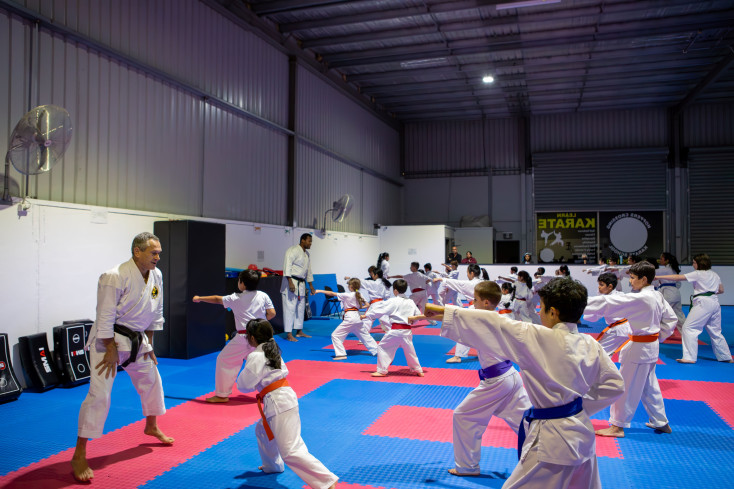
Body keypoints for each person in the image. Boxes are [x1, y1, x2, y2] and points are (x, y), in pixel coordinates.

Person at [424, 278, 624, 489]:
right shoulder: (591, 344)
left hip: (552, 440)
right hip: (583, 434)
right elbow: (615, 385)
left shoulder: (535, 336)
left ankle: (467, 464)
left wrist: (443, 313)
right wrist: (577, 408)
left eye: (542, 308)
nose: (539, 313)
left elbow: (495, 324)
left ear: (553, 312)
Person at [72, 232, 173, 482]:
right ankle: (79, 453)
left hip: (137, 341)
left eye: (159, 252)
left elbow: (155, 312)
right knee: (100, 395)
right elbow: (104, 315)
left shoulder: (157, 275)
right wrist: (109, 347)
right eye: (154, 252)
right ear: (137, 252)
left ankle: (151, 425)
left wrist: (151, 345)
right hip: (107, 343)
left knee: (152, 381)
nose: (158, 257)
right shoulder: (113, 276)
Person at [236, 319, 338, 489]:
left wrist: (245, 363)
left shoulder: (256, 355)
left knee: (291, 450)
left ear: (252, 338)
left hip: (278, 402)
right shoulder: (272, 348)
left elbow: (243, 385)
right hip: (281, 398)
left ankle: (326, 482)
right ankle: (272, 465)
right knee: (263, 430)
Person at [585, 262, 677, 438]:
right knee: (649, 385)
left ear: (644, 279)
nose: (631, 282)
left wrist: (576, 301)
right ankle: (660, 421)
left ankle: (617, 426)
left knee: (625, 386)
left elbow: (611, 301)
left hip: (639, 348)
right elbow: (671, 319)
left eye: (633, 278)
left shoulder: (643, 297)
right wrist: (658, 336)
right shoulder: (656, 295)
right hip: (649, 346)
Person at [192, 269, 276, 403]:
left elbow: (216, 299)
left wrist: (199, 298)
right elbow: (272, 313)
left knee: (224, 359)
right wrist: (260, 322)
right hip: (262, 337)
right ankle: (271, 391)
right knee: (266, 363)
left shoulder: (235, 298)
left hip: (244, 338)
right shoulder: (263, 295)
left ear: (242, 284)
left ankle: (222, 394)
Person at [656, 253, 732, 364]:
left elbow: (677, 277)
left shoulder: (698, 274)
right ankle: (726, 357)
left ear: (699, 263)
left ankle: (689, 357)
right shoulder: (715, 274)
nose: (693, 265)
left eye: (694, 262)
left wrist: (658, 277)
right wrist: (709, 290)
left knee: (689, 328)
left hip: (703, 302)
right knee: (715, 331)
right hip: (714, 302)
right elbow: (721, 290)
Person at [361, 279, 424, 377]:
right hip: (407, 330)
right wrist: (413, 321)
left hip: (395, 330)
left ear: (395, 291)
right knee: (410, 351)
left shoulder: (393, 301)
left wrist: (367, 315)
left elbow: (381, 310)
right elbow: (417, 315)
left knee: (382, 347)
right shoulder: (411, 302)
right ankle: (418, 370)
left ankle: (382, 371)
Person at [434, 263, 489, 363]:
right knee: (481, 332)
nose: (467, 275)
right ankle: (483, 352)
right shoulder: (484, 282)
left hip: (475, 309)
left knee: (464, 331)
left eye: (468, 272)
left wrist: (442, 280)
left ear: (472, 273)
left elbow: (458, 284)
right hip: (486, 310)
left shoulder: (472, 283)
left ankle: (458, 356)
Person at [315, 278, 378, 360]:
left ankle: (341, 354)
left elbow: (331, 293)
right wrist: (358, 307)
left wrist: (319, 291)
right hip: (357, 316)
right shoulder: (359, 295)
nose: (348, 286)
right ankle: (378, 351)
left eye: (348, 284)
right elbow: (367, 305)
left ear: (351, 286)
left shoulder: (347, 295)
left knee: (335, 335)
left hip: (350, 317)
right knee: (365, 336)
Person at [583, 272, 632, 356]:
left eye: (601, 285)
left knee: (599, 354)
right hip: (626, 329)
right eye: (599, 284)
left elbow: (590, 317)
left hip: (618, 330)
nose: (599, 287)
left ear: (610, 287)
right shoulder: (619, 294)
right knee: (608, 355)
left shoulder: (607, 299)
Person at [281, 233, 316, 342]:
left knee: (300, 308)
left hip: (301, 283)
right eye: (309, 241)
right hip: (291, 282)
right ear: (303, 240)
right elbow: (287, 266)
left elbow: (308, 271)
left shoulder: (307, 255)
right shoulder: (292, 250)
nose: (310, 243)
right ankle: (289, 333)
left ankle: (299, 331)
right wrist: (290, 282)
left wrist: (311, 285)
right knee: (290, 308)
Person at [654, 252, 686, 331]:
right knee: (679, 315)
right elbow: (679, 284)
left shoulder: (666, 270)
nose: (660, 260)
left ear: (667, 260)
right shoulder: (673, 270)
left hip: (669, 294)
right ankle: (686, 334)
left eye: (661, 259)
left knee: (662, 313)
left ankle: (659, 332)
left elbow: (652, 272)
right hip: (675, 293)